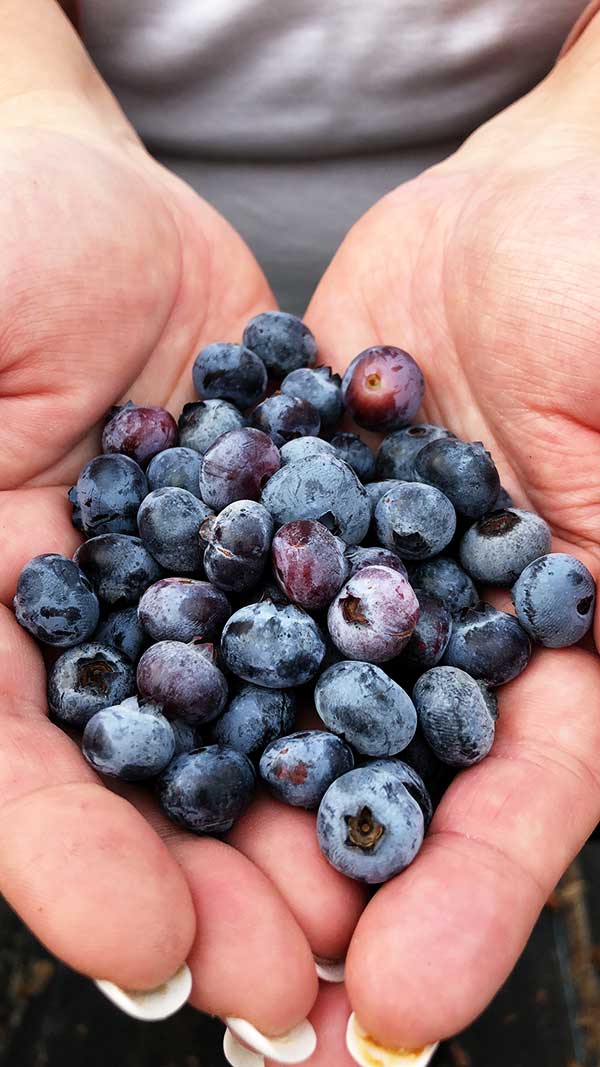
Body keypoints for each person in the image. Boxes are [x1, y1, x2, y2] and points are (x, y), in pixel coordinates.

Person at [0, 1, 599, 1063]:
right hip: (130, 227)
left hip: (479, 219)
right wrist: (28, 100)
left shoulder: (389, 547)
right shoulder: (200, 528)